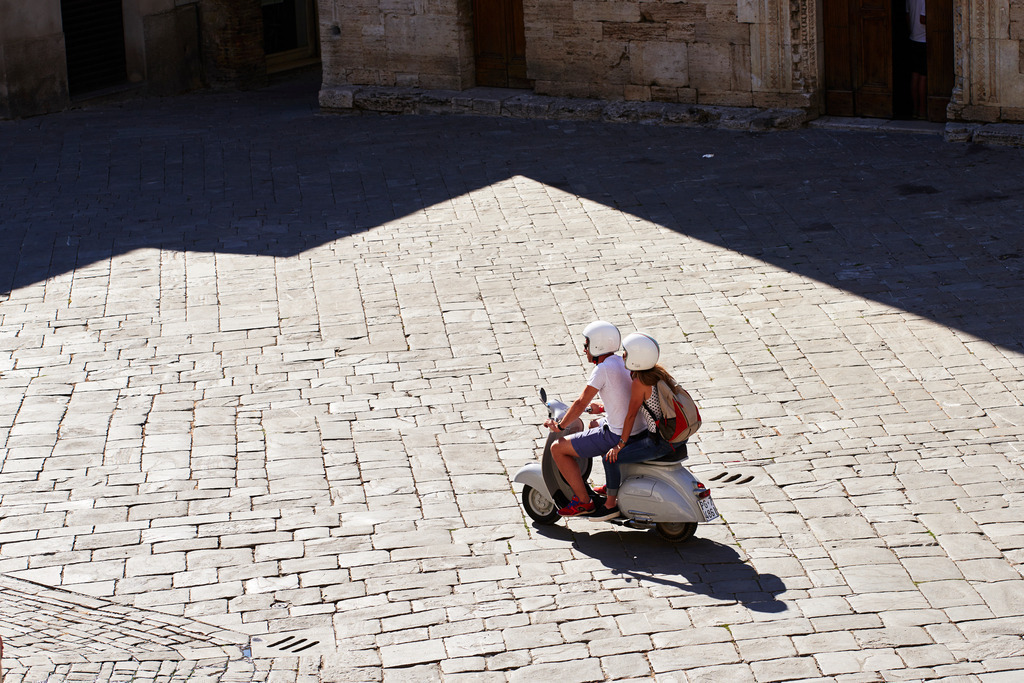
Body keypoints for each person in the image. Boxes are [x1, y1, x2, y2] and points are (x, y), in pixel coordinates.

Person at [545, 320, 647, 518]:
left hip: (616, 435)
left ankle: (584, 502)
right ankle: (611, 483)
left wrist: (560, 425)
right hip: (637, 429)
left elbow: (581, 402)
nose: (584, 349)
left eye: (586, 344)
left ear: (597, 345)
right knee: (593, 424)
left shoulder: (601, 370)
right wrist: (600, 408)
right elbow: (622, 397)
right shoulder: (621, 362)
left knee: (557, 448)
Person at [591, 332, 682, 518]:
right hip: (675, 436)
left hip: (658, 441)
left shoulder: (640, 382)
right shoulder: (658, 373)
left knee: (611, 458)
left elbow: (631, 415)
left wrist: (620, 445)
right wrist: (602, 409)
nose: (623, 355)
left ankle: (610, 506)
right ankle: (611, 485)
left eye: (626, 353)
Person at [907, 0, 927, 119]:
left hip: (913, 38)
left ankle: (914, 109)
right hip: (923, 40)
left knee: (915, 75)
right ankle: (923, 111)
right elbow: (923, 19)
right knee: (923, 77)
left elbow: (908, 16)